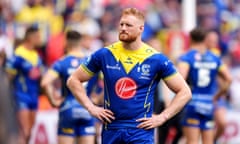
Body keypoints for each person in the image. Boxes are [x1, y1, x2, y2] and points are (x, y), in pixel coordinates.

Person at [67, 8, 191, 144]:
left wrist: (162, 117)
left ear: (141, 29)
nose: (123, 28)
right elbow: (73, 80)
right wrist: (91, 107)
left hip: (141, 130)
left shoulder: (156, 59)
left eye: (128, 25)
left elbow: (185, 92)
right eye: (121, 24)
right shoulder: (104, 54)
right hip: (111, 129)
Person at [178, 28, 232, 144]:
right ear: (205, 39)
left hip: (192, 102)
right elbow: (229, 79)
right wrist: (217, 96)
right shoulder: (215, 58)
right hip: (208, 103)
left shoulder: (186, 57)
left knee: (192, 141)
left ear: (190, 39)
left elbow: (180, 79)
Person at [41, 31, 95, 144]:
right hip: (87, 109)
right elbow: (107, 81)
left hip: (68, 109)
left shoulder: (62, 62)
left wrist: (53, 101)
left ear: (66, 43)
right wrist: (98, 99)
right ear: (81, 42)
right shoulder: (90, 62)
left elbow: (45, 82)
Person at [6, 26, 43, 144]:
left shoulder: (36, 56)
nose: (40, 39)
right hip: (21, 96)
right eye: (37, 37)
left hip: (34, 96)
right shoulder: (18, 54)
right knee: (24, 131)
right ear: (30, 38)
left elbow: (39, 77)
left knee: (30, 132)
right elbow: (7, 76)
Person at [205, 30, 228, 142]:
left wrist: (220, 94)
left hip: (215, 95)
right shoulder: (197, 54)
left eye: (215, 41)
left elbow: (224, 78)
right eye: (210, 40)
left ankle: (213, 141)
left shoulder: (217, 56)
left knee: (222, 123)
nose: (213, 42)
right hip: (202, 95)